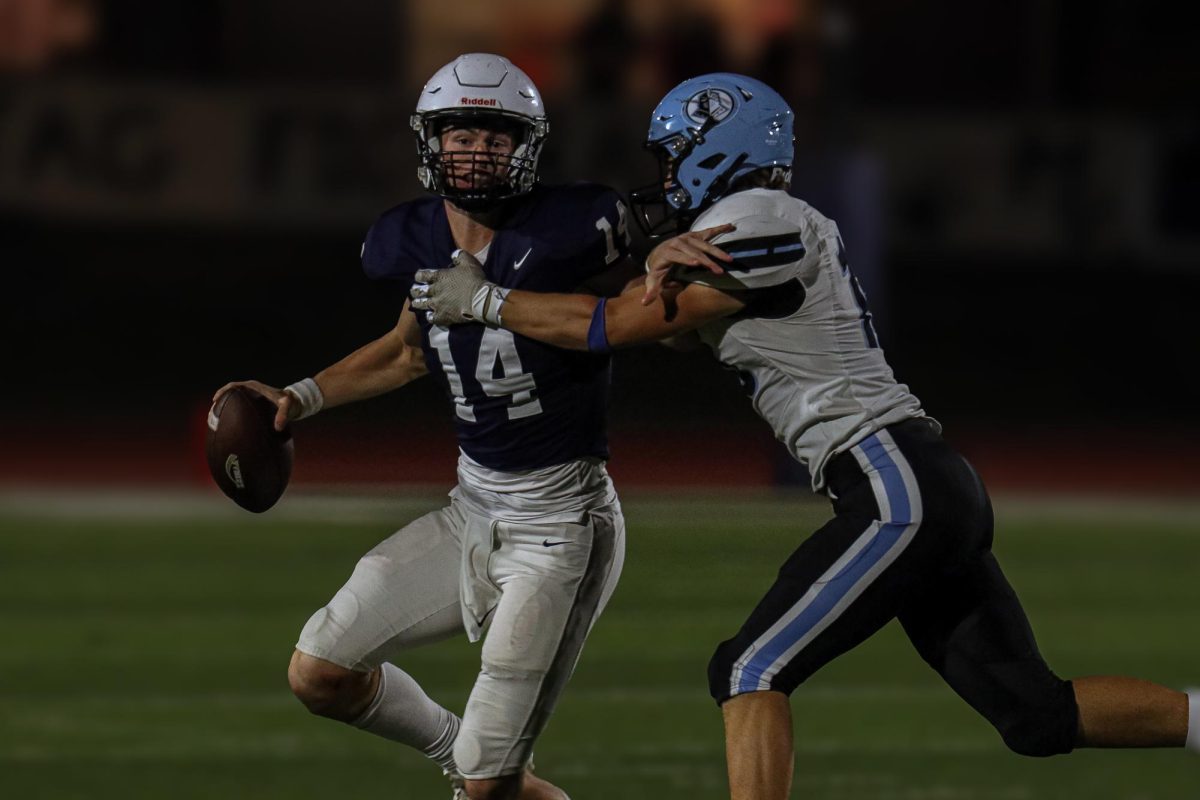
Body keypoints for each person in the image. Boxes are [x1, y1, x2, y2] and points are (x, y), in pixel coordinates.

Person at [410, 73, 1200, 800]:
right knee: (1036, 716)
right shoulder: (751, 223)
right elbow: (644, 319)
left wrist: (486, 302)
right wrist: (646, 260)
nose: (666, 172)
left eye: (675, 153)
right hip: (914, 481)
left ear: (722, 145)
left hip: (894, 482)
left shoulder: (759, 215)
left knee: (750, 668)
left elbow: (618, 325)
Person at [214, 53, 636, 800]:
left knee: (489, 787)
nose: (474, 150)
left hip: (560, 526)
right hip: (472, 507)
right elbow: (408, 353)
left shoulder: (573, 229)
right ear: (428, 142)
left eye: (494, 136)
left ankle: (485, 774)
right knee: (322, 672)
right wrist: (301, 397)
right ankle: (468, 759)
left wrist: (494, 301)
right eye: (458, 134)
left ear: (526, 147)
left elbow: (621, 322)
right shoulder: (408, 239)